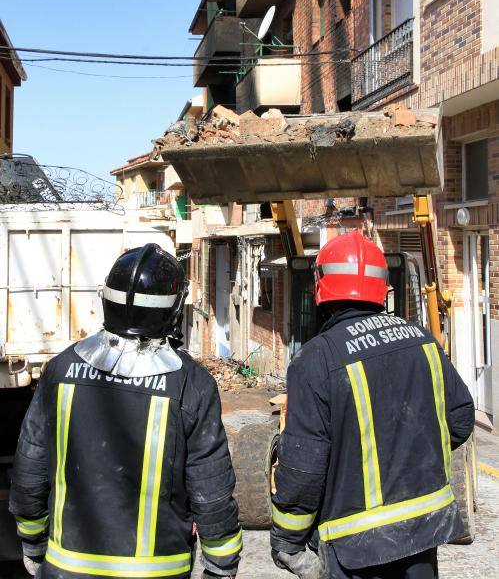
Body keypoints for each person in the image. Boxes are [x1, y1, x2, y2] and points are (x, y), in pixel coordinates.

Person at [10, 243, 241, 579]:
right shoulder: (191, 384)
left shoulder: (60, 371)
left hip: (65, 569)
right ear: (172, 311)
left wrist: (32, 541)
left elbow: (31, 466)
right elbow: (211, 488)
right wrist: (222, 564)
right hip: (157, 572)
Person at [270, 230, 475, 579]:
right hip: (423, 535)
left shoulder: (315, 360)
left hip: (354, 549)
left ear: (321, 290)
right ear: (382, 289)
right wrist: (408, 455)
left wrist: (287, 541)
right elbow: (460, 420)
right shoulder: (423, 342)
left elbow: (304, 469)